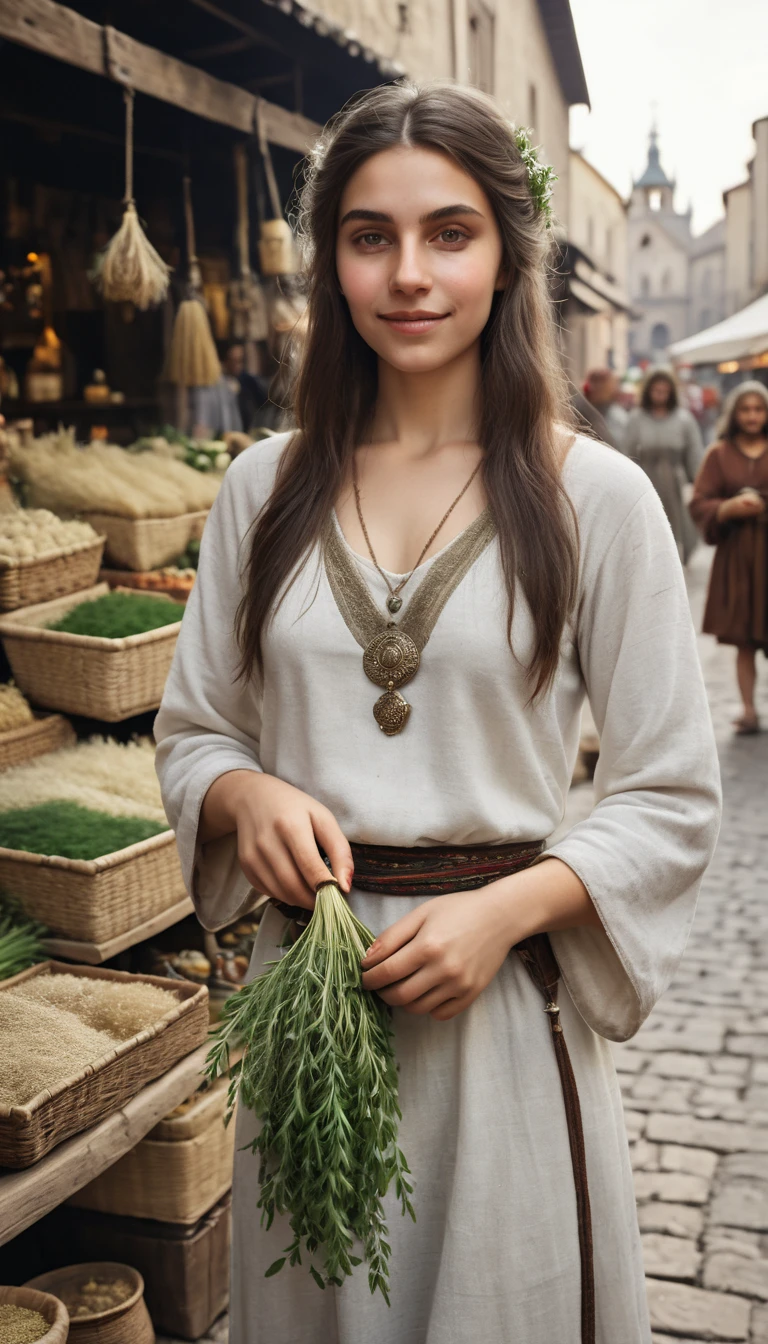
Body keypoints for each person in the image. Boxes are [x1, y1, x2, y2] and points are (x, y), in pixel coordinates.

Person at [154, 83, 721, 1344]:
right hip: (310, 1015)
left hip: (505, 1022)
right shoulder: (263, 489)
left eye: (450, 233)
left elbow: (671, 793)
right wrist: (242, 794)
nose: (409, 274)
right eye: (371, 236)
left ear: (510, 256)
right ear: (332, 263)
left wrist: (509, 910)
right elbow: (198, 729)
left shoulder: (599, 499)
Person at [690, 380, 768, 735]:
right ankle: (749, 710)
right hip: (739, 558)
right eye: (746, 409)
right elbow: (699, 501)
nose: (752, 416)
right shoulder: (719, 454)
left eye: (759, 408)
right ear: (735, 414)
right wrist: (727, 508)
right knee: (744, 638)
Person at [624, 366, 704, 562]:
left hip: (675, 483)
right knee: (648, 528)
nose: (660, 395)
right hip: (646, 482)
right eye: (656, 390)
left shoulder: (684, 420)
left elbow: (694, 456)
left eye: (664, 391)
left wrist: (700, 486)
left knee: (677, 527)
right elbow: (627, 454)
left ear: (671, 393)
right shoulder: (636, 419)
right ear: (648, 391)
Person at [222, 341, 270, 433]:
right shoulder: (219, 383)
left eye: (239, 361)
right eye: (233, 361)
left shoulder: (248, 380)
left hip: (247, 430)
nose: (236, 365)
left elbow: (264, 402)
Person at [583, 367, 628, 451]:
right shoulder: (580, 410)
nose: (597, 387)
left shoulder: (618, 417)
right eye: (595, 382)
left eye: (602, 382)